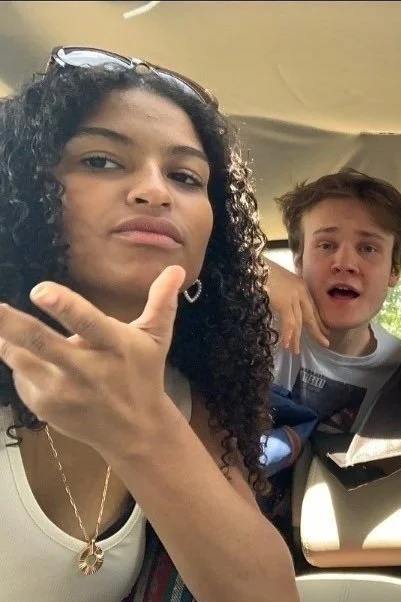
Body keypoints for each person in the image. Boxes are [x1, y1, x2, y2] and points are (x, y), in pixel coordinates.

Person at [0, 47, 298, 602]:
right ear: (19, 192)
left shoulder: (193, 395)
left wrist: (143, 427)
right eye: (100, 161)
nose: (156, 191)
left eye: (186, 176)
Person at [264, 169, 401, 436]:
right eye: (326, 245)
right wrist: (256, 269)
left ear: (394, 271)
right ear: (299, 261)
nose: (345, 264)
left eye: (368, 248)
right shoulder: (260, 323)